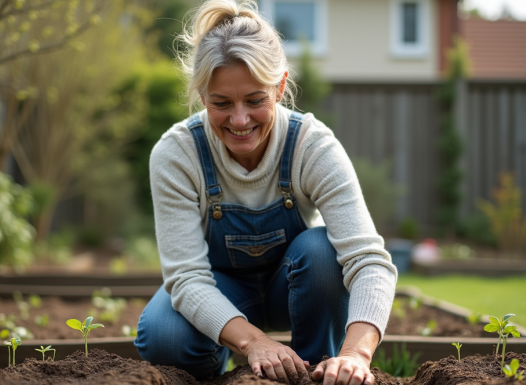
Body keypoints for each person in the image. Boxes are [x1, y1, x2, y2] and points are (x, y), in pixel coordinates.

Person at [134, 1, 397, 384]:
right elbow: (187, 279)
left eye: (255, 100)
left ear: (280, 86)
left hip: (295, 289)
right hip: (220, 293)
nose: (239, 120)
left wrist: (356, 354)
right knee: (164, 335)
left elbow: (369, 261)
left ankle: (316, 371)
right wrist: (254, 342)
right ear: (203, 96)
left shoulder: (312, 146)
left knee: (324, 253)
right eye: (221, 103)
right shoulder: (177, 154)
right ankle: (221, 377)